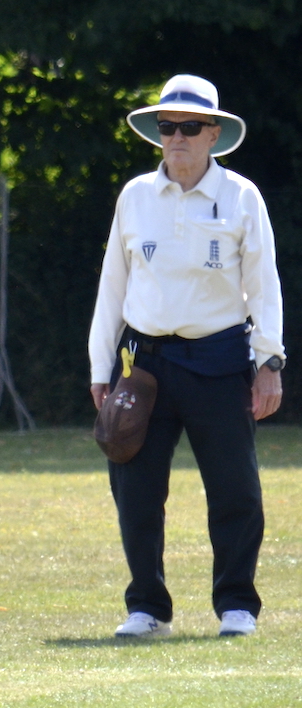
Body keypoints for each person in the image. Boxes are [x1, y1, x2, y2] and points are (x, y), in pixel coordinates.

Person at [88, 74, 285, 639]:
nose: (176, 137)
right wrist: (101, 368)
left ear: (213, 133)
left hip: (220, 357)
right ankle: (147, 609)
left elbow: (263, 286)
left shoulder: (242, 197)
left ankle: (236, 606)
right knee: (136, 491)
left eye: (189, 127)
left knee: (235, 489)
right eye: (167, 126)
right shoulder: (135, 196)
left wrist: (269, 362)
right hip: (143, 361)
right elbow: (112, 288)